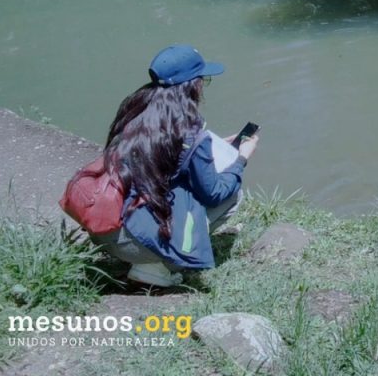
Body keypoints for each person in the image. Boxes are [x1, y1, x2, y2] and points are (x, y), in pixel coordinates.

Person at [89, 44, 260, 287]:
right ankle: (158, 265)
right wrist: (241, 158)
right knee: (232, 194)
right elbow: (214, 194)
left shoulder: (135, 110)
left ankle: (145, 256)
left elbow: (166, 155)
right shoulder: (188, 130)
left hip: (102, 229)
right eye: (203, 80)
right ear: (193, 85)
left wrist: (213, 144)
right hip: (132, 243)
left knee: (175, 189)